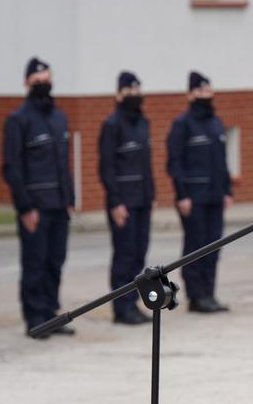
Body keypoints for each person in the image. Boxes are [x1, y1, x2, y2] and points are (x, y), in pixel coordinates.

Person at [2, 57, 75, 339]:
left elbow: (63, 164)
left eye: (47, 78)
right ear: (26, 83)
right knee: (35, 263)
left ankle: (51, 315)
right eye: (38, 80)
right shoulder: (18, 120)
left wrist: (69, 199)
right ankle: (34, 318)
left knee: (55, 262)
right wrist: (25, 207)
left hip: (59, 205)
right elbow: (12, 167)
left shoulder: (59, 118)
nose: (43, 83)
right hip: (35, 207)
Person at [166, 71, 232, 313]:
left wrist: (227, 190)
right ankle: (196, 296)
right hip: (193, 198)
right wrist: (181, 194)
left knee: (214, 246)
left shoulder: (216, 123)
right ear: (190, 94)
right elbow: (175, 162)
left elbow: (223, 161)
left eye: (208, 91)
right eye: (200, 91)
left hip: (215, 196)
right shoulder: (182, 124)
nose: (205, 95)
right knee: (196, 247)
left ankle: (209, 293)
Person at [99, 71, 155, 325]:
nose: (135, 96)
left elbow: (146, 164)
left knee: (139, 255)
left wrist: (151, 195)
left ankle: (133, 303)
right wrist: (115, 202)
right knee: (124, 255)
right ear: (119, 94)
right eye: (129, 92)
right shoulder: (112, 125)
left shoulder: (143, 123)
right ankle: (121, 308)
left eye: (137, 91)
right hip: (124, 202)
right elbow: (107, 167)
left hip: (142, 200)